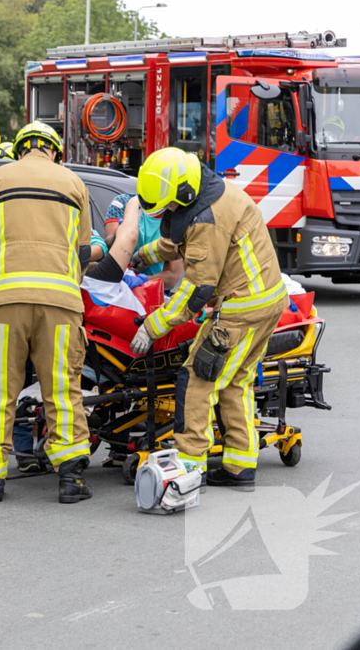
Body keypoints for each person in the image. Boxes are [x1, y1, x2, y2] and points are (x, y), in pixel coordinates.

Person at [129, 147, 288, 493]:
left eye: (169, 206)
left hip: (242, 310)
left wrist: (152, 327)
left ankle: (190, 468)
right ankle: (239, 467)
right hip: (265, 302)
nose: (168, 212)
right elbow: (180, 240)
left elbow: (196, 290)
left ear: (183, 192)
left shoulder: (208, 218)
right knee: (235, 382)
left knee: (196, 380)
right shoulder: (209, 192)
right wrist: (144, 254)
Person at [0, 121, 93, 503]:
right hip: (60, 304)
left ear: (20, 149)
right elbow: (83, 251)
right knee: (62, 390)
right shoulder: (74, 182)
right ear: (55, 151)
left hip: (5, 300)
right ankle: (70, 479)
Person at [104, 192, 184, 289]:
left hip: (150, 292)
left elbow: (172, 277)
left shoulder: (177, 214)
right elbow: (108, 247)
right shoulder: (122, 203)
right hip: (113, 284)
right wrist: (117, 235)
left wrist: (143, 280)